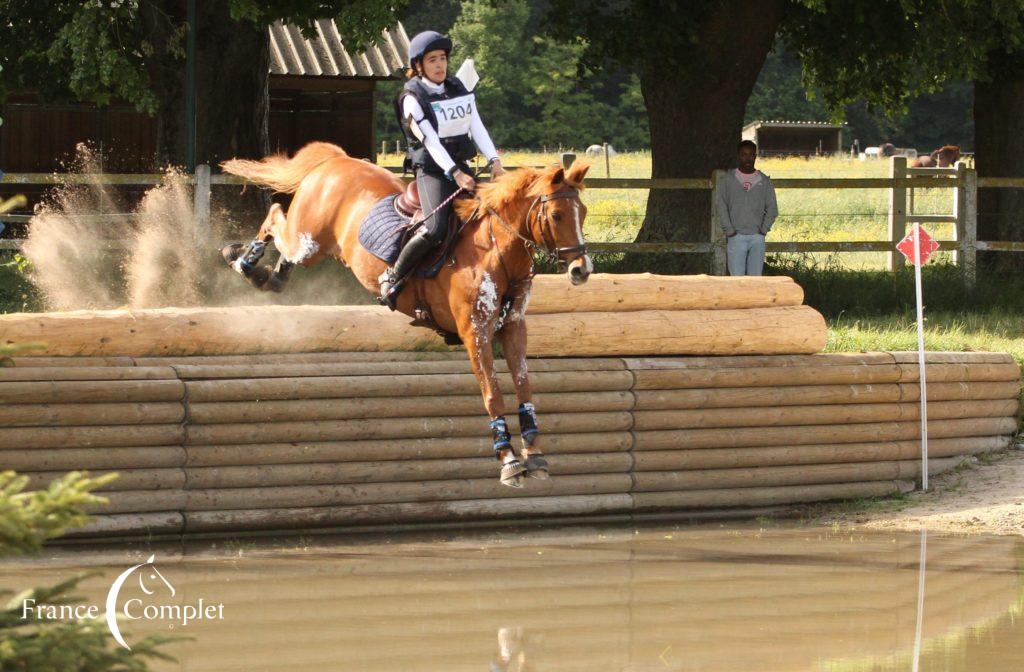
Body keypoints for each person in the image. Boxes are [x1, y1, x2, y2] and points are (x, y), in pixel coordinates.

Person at [379, 30, 505, 307]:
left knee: (493, 217)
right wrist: (454, 173)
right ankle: (393, 276)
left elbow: (477, 127)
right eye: (433, 59)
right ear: (419, 65)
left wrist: (495, 161)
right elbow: (431, 142)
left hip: (460, 167)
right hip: (433, 171)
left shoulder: (458, 87)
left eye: (443, 58)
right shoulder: (411, 97)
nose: (440, 65)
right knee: (435, 229)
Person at [716, 139, 778, 276]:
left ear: (755, 156)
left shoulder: (764, 181)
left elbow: (772, 208)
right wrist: (730, 230)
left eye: (751, 155)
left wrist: (763, 230)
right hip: (735, 236)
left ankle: (754, 299)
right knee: (736, 279)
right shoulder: (728, 180)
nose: (747, 158)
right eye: (744, 154)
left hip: (757, 237)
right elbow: (721, 206)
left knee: (755, 279)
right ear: (738, 156)